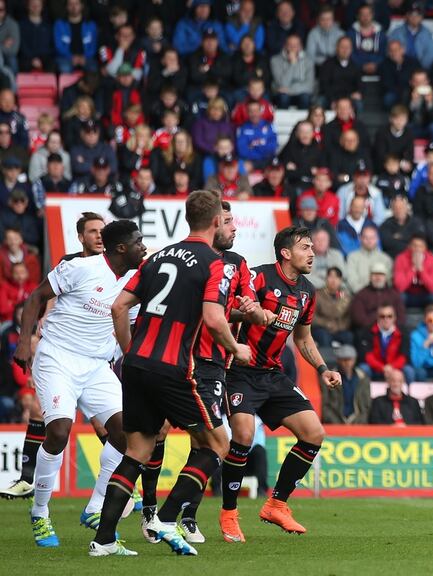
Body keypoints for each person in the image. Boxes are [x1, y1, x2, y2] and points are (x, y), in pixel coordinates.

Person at [90, 191, 252, 557]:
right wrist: (235, 347)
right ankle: (164, 518)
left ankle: (103, 540)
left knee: (136, 452)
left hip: (136, 365)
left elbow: (119, 306)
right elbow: (213, 318)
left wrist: (132, 352)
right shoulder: (214, 263)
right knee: (217, 444)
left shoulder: (159, 255)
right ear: (215, 222)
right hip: (172, 367)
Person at [139, 200, 269, 544]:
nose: (232, 227)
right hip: (178, 357)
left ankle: (187, 516)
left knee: (206, 442)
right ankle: (153, 510)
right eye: (226, 221)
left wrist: (250, 310)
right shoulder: (192, 259)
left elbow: (248, 306)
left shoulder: (238, 265)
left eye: (233, 221)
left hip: (211, 364)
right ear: (214, 223)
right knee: (164, 432)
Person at [12, 220, 144, 547]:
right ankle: (40, 514)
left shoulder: (134, 282)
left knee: (127, 434)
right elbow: (35, 297)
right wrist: (25, 341)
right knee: (58, 431)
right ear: (121, 248)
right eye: (138, 242)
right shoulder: (79, 268)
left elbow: (128, 328)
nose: (144, 247)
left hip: (97, 365)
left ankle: (95, 507)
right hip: (58, 356)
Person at [218, 226, 341, 542]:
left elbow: (304, 338)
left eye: (312, 246)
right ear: (285, 253)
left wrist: (323, 368)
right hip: (240, 371)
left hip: (272, 375)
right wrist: (249, 316)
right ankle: (229, 514)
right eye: (304, 247)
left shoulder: (307, 292)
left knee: (314, 433)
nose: (312, 252)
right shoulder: (258, 278)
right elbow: (224, 312)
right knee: (243, 435)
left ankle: (276, 503)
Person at [312, 267, 353, 348]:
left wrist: (338, 326)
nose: (333, 280)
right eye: (330, 276)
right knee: (323, 336)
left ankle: (347, 360)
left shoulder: (346, 297)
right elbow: (312, 316)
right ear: (326, 279)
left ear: (340, 280)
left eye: (337, 277)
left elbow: (349, 317)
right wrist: (326, 324)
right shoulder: (317, 295)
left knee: (349, 336)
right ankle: (327, 361)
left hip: (340, 329)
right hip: (322, 329)